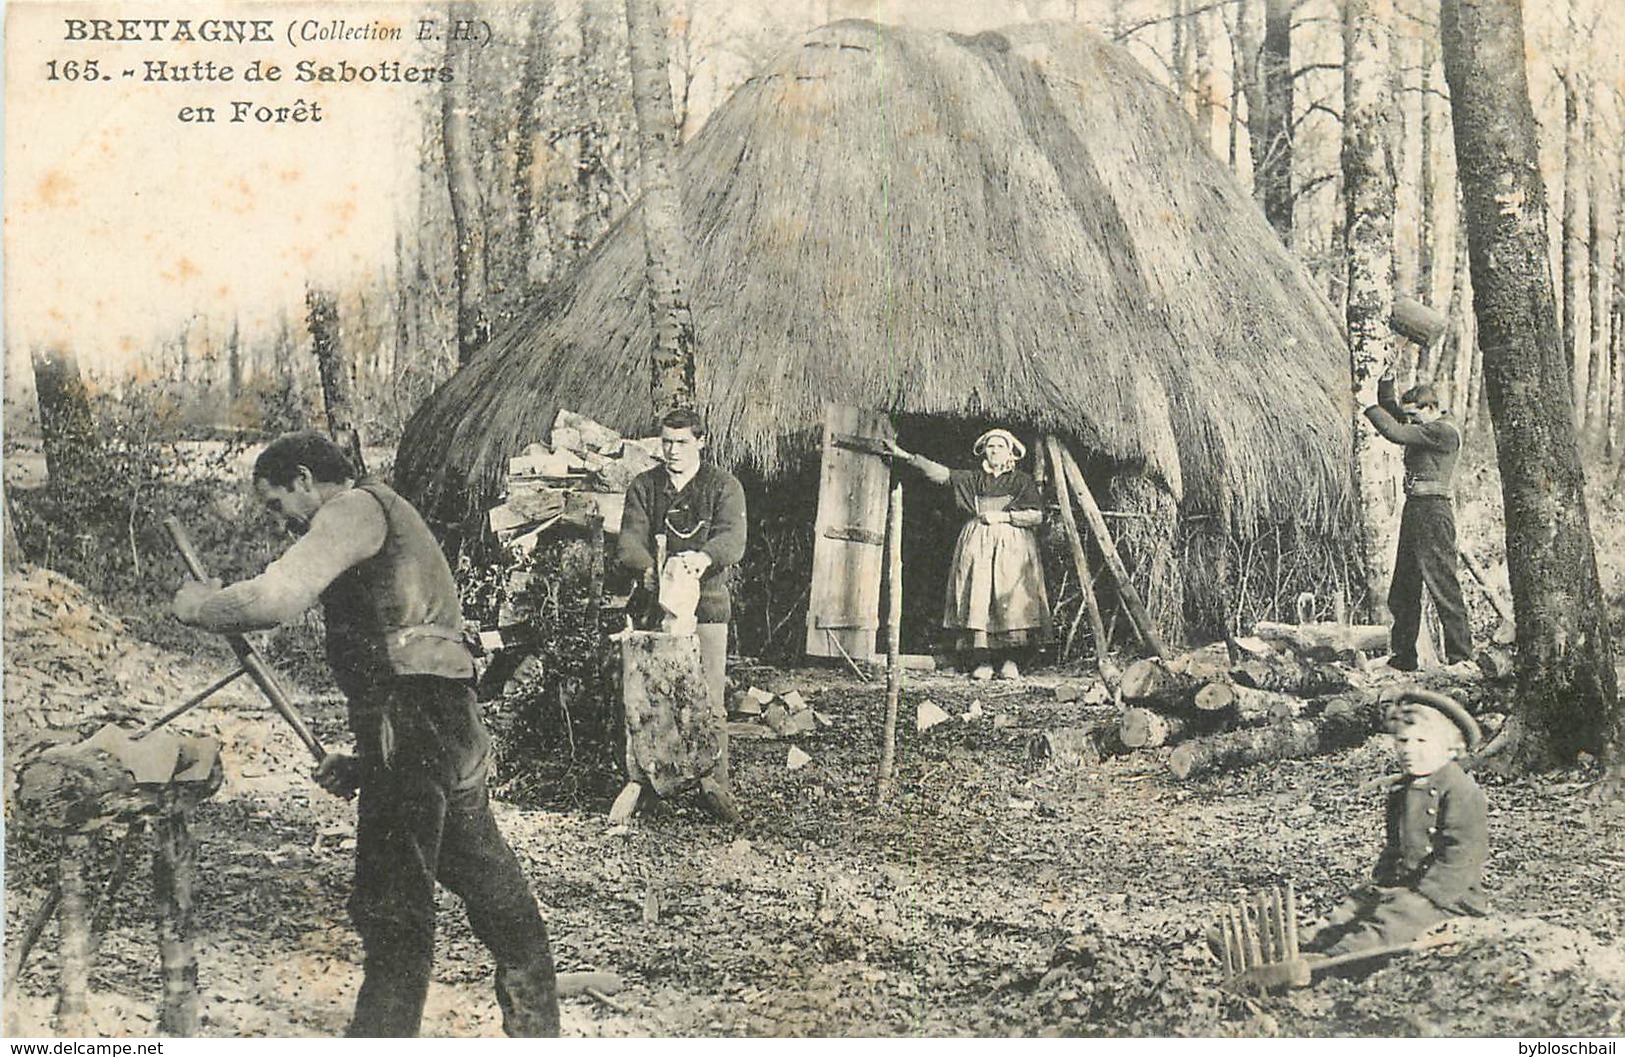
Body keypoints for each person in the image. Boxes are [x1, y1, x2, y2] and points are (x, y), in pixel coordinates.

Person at [171, 431, 559, 1038]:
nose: (282, 524)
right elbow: (404, 652)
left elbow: (276, 597)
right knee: (486, 879)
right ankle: (538, 1024)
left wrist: (201, 607)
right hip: (439, 727)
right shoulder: (382, 517)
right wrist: (367, 763)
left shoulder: (352, 508)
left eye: (277, 505)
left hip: (417, 723)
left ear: (305, 479)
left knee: (393, 905)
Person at [616, 408, 747, 822]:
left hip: (705, 607)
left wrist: (702, 559)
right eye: (666, 442)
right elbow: (629, 541)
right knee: (648, 700)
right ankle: (649, 784)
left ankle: (714, 786)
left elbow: (733, 538)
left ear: (701, 442)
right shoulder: (644, 487)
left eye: (682, 443)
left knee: (707, 700)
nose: (673, 451)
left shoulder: (723, 486)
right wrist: (649, 569)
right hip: (653, 610)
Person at [1306, 690, 1488, 956]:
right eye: (1403, 740)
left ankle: (1336, 958)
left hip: (1446, 898)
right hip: (1404, 886)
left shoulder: (1460, 790)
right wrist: (1383, 882)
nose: (1409, 749)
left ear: (1451, 747)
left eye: (1422, 740)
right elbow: (1396, 847)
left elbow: (1461, 858)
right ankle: (1307, 944)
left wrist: (1422, 895)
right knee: (1354, 908)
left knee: (1389, 924)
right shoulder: (1402, 790)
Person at [887, 428, 1050, 680]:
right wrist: (907, 456)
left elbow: (1037, 516)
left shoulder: (1021, 481)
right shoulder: (973, 479)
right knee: (978, 597)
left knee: (1011, 600)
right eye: (990, 447)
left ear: (1010, 453)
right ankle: (982, 661)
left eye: (999, 447)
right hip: (978, 545)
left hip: (1013, 547)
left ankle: (1010, 661)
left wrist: (1005, 516)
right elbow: (943, 475)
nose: (994, 451)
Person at [1363, 370, 1475, 675]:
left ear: (1430, 408)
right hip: (1416, 510)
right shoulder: (1425, 424)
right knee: (1403, 588)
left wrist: (1364, 403)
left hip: (1433, 512)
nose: (1409, 420)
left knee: (1443, 585)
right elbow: (1396, 414)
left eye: (1414, 415)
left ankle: (1462, 658)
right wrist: (1386, 380)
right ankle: (1403, 659)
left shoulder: (1443, 431)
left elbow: (1395, 431)